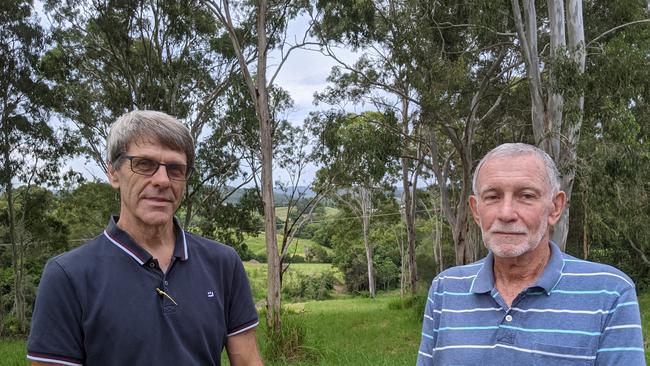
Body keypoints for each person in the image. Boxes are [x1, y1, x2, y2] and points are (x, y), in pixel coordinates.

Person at [27, 110, 263, 366]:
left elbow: (248, 360)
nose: (162, 180)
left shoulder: (223, 264)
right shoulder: (68, 276)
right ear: (114, 173)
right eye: (144, 164)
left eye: (175, 168)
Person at [417, 143, 645, 365]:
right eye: (493, 196)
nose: (506, 214)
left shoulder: (610, 292)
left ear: (555, 207)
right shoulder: (445, 289)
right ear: (476, 210)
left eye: (526, 196)